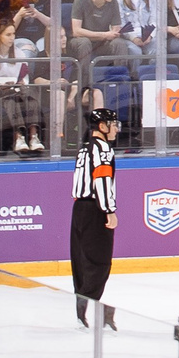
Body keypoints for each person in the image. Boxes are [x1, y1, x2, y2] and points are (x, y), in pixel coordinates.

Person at [70, 106, 121, 331]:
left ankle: (82, 312)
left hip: (79, 209)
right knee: (98, 263)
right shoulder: (102, 149)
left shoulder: (84, 148)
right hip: (95, 209)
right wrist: (109, 210)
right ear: (102, 126)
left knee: (82, 261)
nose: (116, 129)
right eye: (113, 124)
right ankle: (99, 309)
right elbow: (102, 180)